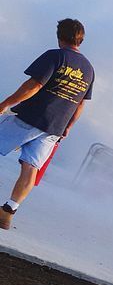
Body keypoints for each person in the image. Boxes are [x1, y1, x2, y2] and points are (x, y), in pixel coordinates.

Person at [0, 18, 94, 230]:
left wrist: (6, 103)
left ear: (60, 35)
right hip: (54, 129)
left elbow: (34, 85)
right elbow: (80, 104)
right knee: (30, 168)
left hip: (30, 118)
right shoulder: (89, 70)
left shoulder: (56, 56)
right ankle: (8, 211)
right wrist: (67, 127)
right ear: (81, 39)